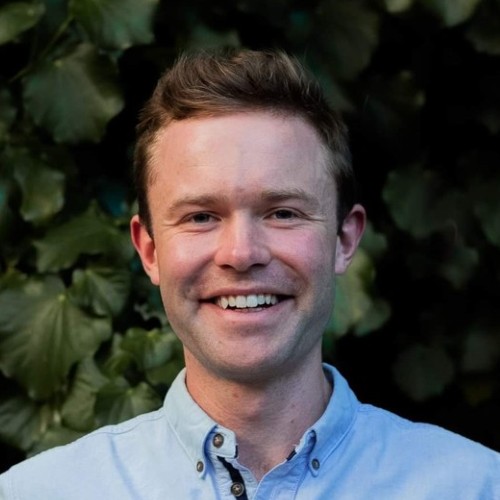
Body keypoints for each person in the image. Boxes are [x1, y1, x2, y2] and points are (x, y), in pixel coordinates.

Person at [0, 49, 498, 500]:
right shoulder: (38, 493)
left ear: (345, 240)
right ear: (149, 250)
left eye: (282, 212)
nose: (241, 253)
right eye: (200, 216)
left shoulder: (474, 487)